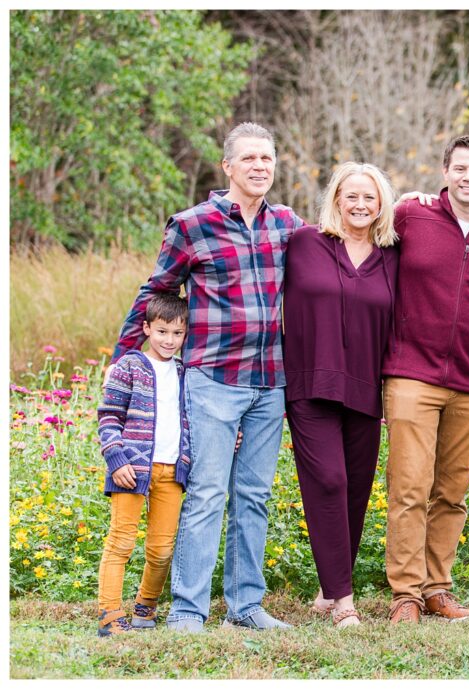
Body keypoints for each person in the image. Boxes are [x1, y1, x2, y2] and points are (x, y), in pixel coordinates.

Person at [112, 122, 304, 632]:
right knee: (206, 492)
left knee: (255, 495)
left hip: (271, 380)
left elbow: (345, 239)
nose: (260, 167)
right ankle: (188, 610)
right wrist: (124, 361)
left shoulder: (288, 224)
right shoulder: (192, 225)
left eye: (267, 158)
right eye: (249, 159)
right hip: (213, 378)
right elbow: (156, 289)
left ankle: (246, 606)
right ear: (228, 167)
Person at [382, 135, 469, 624]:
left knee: (451, 492)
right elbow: (358, 232)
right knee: (409, 487)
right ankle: (405, 595)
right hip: (410, 374)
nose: (468, 177)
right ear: (445, 172)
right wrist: (398, 197)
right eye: (459, 168)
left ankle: (437, 588)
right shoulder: (409, 217)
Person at [283, 162, 399, 627]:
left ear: (381, 204)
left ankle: (329, 589)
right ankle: (344, 602)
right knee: (328, 481)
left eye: (369, 197)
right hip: (310, 385)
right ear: (335, 199)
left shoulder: (393, 254)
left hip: (366, 387)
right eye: (351, 195)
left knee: (355, 491)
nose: (359, 204)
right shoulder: (303, 242)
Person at [97, 294, 191, 637]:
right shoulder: (129, 366)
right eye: (162, 331)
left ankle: (145, 605)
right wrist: (116, 458)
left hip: (170, 472)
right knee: (121, 542)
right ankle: (110, 614)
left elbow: (192, 419)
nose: (169, 340)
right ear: (147, 328)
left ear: (185, 335)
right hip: (130, 470)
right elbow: (108, 417)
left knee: (162, 549)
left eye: (177, 334)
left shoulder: (185, 372)